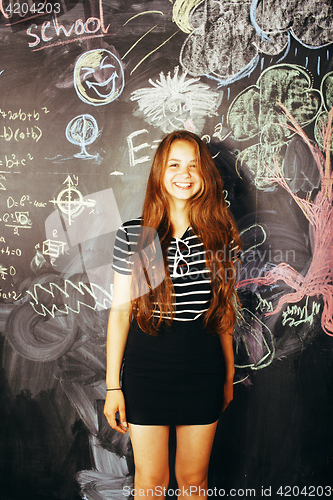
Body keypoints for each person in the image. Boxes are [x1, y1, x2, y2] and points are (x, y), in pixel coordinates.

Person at [104, 130, 241, 499]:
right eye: (174, 165)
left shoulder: (219, 234)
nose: (185, 174)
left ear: (205, 175)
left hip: (203, 369)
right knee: (150, 483)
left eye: (194, 166)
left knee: (194, 481)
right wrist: (113, 386)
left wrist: (228, 375)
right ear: (159, 174)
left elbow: (223, 311)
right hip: (146, 370)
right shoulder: (134, 234)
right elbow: (119, 313)